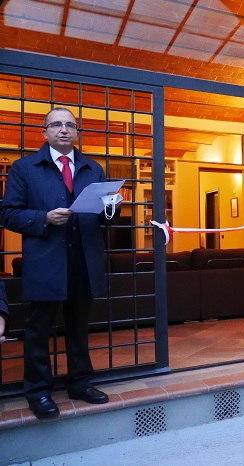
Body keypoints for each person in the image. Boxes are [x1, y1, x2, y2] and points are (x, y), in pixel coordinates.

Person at [0, 107, 119, 419]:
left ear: (76, 132)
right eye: (56, 125)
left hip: (84, 257)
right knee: (39, 329)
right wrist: (43, 218)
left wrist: (112, 208)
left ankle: (80, 382)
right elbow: (8, 213)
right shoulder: (24, 168)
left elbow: (105, 217)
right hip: (45, 259)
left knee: (79, 326)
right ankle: (38, 392)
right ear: (45, 132)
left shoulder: (93, 169)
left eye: (69, 125)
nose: (63, 129)